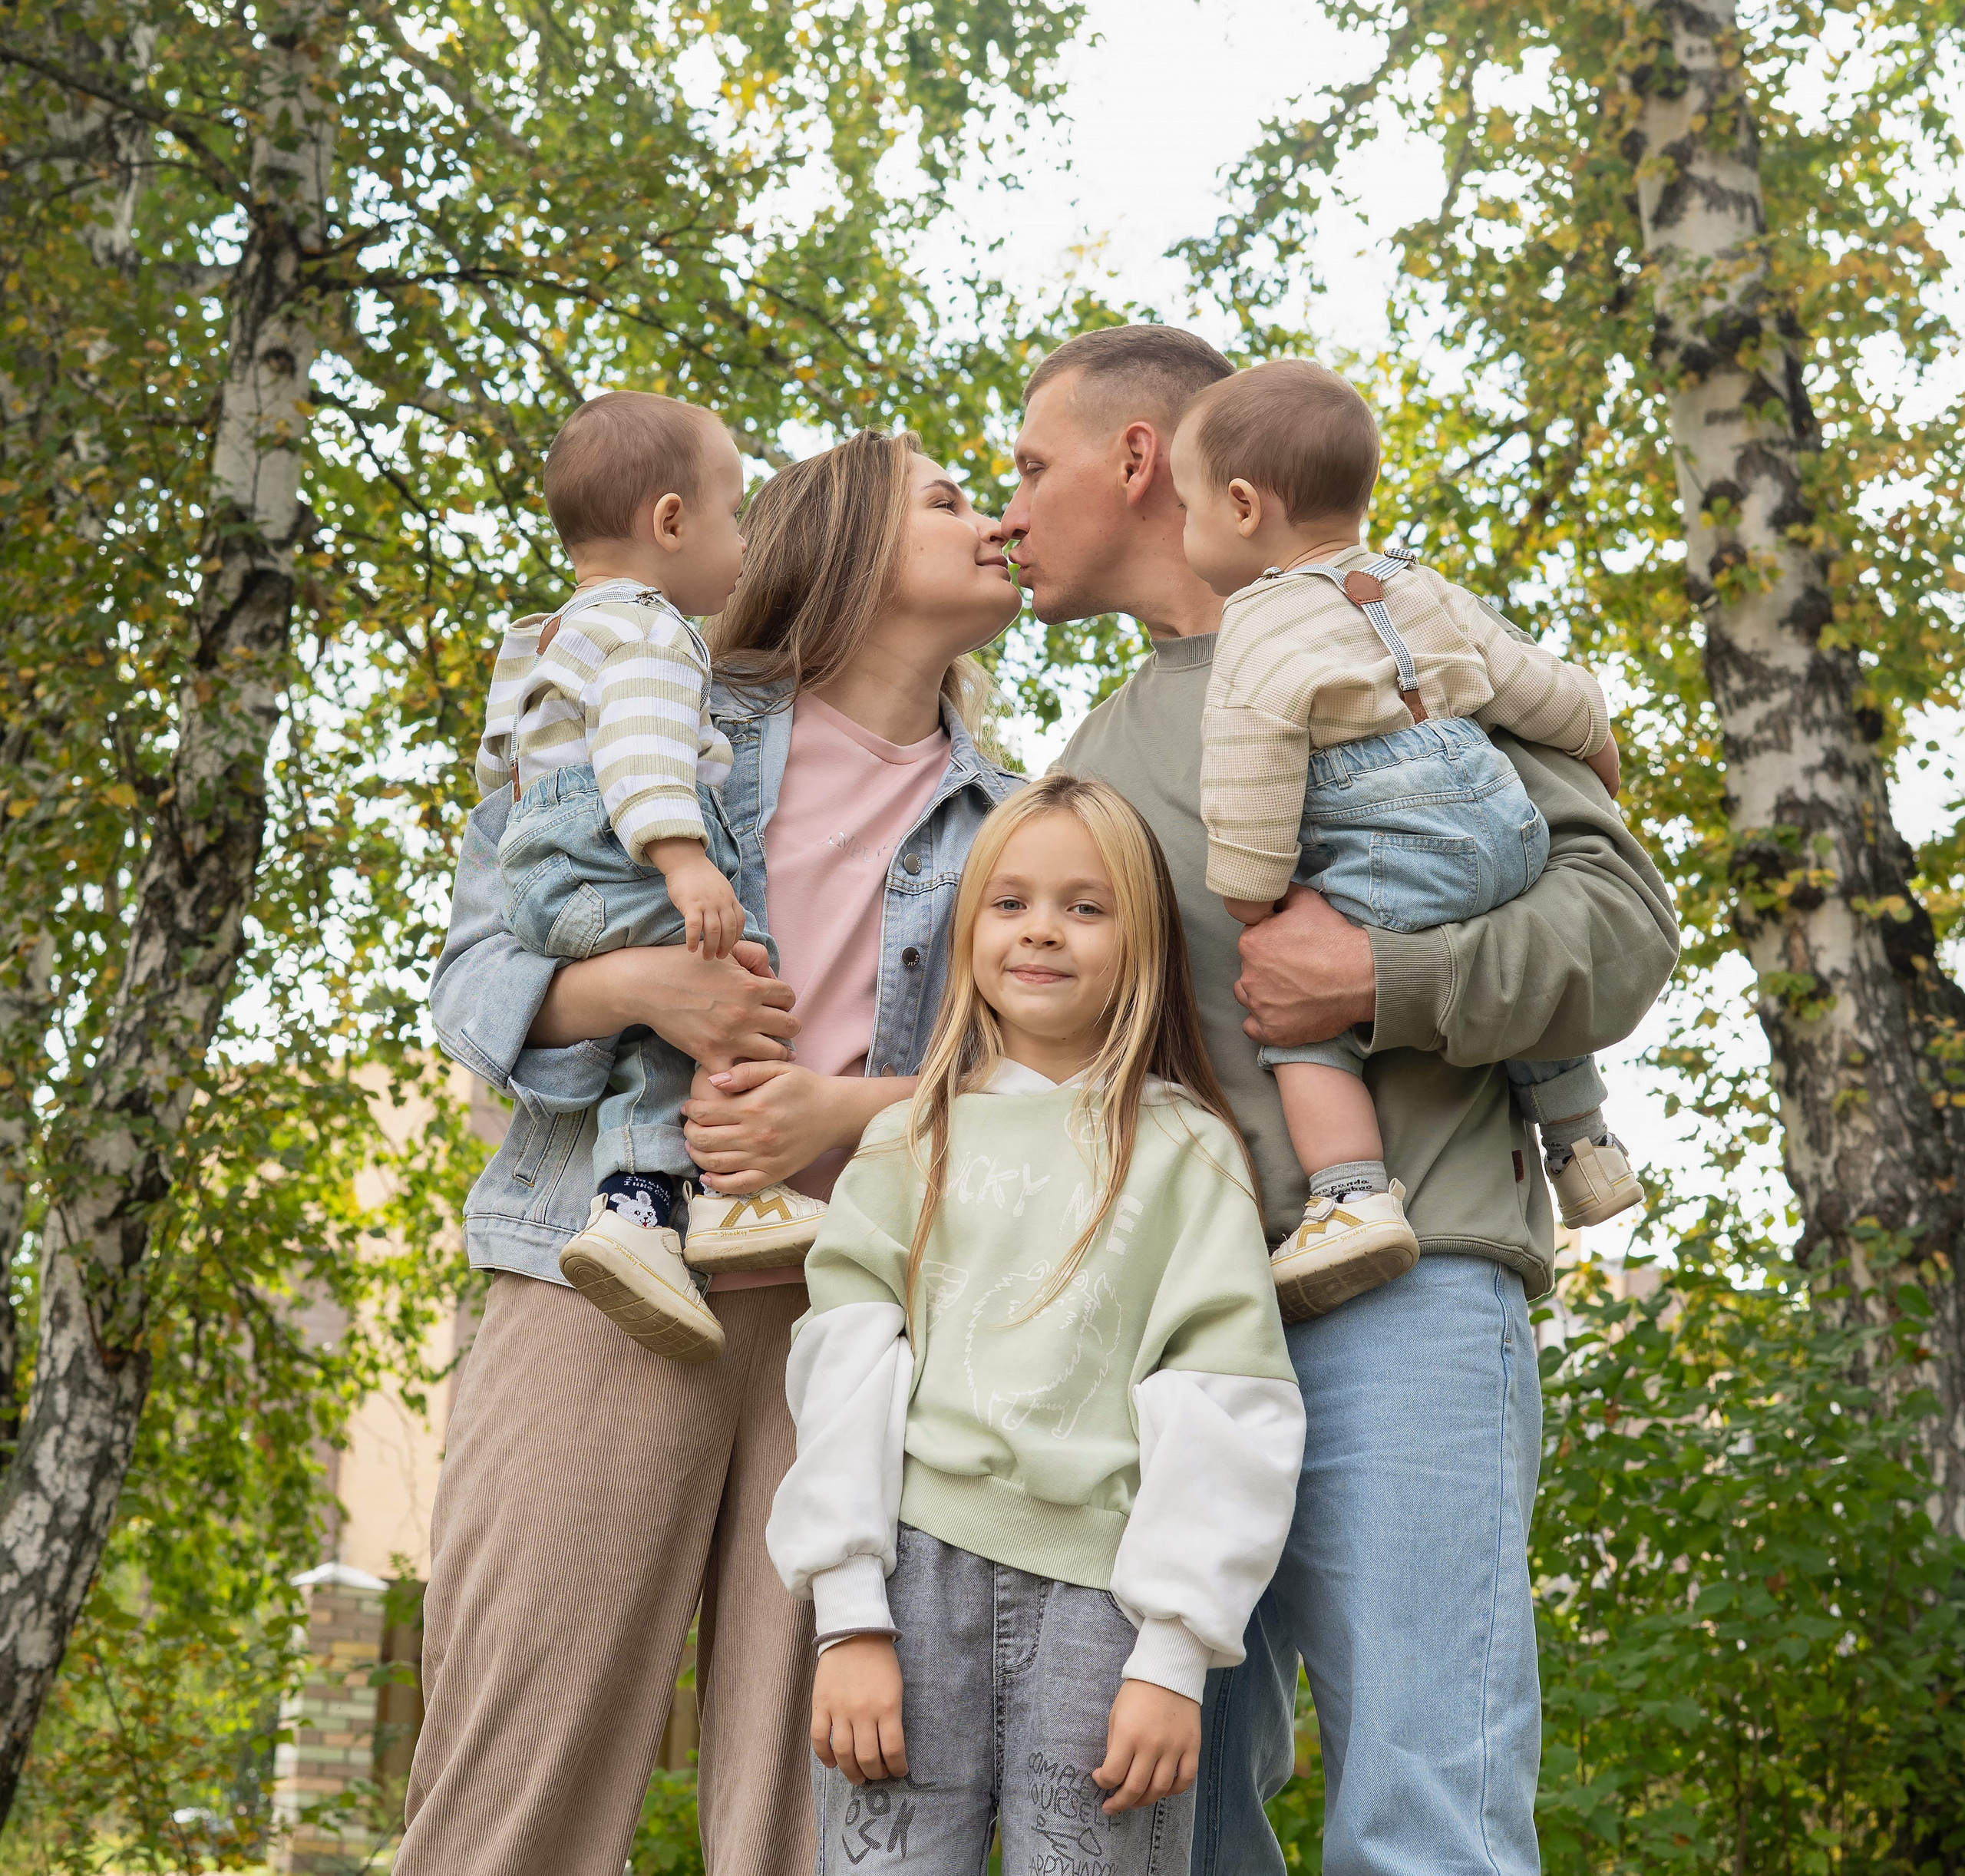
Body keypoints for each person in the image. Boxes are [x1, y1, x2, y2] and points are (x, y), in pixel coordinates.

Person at [1001, 324, 1679, 1876]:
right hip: (1166, 1350)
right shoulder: (1085, 764)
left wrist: (1378, 978)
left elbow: (1620, 933)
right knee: (1167, 1829)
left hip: (1414, 1295)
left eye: (1031, 466)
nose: (1008, 507)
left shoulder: (1398, 638)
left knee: (1421, 1818)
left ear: (1134, 465)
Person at [399, 427, 1023, 1876]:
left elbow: (1040, 1089)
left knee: (817, 1811)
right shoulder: (655, 707)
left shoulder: (1015, 822)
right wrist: (635, 988)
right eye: (948, 500)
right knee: (520, 1781)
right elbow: (476, 978)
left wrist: (839, 1110)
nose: (992, 521)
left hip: (859, 1325)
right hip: (606, 1281)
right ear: (850, 541)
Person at [766, 776, 1305, 1875]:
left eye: (1086, 907)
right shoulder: (907, 1141)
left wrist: (1173, 1654)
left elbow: (1226, 1400)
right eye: (1009, 903)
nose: (1042, 931)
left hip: (1109, 1604)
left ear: (1141, 942)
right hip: (909, 1587)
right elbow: (843, 1374)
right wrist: (850, 1617)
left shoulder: (1189, 1152)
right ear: (967, 932)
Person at [1173, 358, 1644, 1322]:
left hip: (1392, 840)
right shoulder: (1416, 584)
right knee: (1504, 945)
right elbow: (1527, 682)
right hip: (1499, 819)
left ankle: (1349, 1197)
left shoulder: (1255, 626)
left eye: (1189, 509)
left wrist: (1255, 898)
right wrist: (1596, 746)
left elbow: (1254, 771)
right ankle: (1585, 1147)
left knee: (1303, 1027)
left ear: (1241, 504)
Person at [475, 389, 823, 1365]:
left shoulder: (548, 634)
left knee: (647, 1029)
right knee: (737, 969)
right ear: (671, 522)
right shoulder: (655, 631)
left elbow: (504, 774)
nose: (746, 538)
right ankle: (686, 1199)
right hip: (618, 842)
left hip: (544, 870)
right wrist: (682, 860)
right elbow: (639, 750)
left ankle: (659, 1200)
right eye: (735, 511)